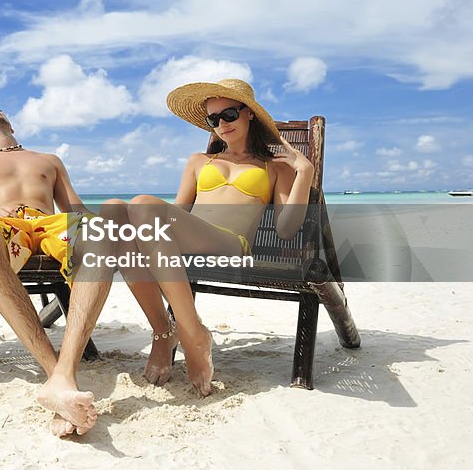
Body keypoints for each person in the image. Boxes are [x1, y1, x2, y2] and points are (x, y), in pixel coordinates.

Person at [99, 78, 317, 396]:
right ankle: (163, 332)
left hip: (231, 244)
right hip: (191, 242)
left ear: (250, 114)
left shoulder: (274, 167)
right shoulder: (200, 161)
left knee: (141, 205)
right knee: (115, 210)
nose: (220, 124)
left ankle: (192, 334)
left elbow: (286, 229)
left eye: (228, 114)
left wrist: (305, 171)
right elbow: (177, 212)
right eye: (213, 119)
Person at [0, 103, 105, 437]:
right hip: (2, 225)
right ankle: (58, 374)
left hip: (50, 224)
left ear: (12, 124)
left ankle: (62, 378)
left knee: (97, 233)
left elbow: (78, 211)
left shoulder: (49, 160)